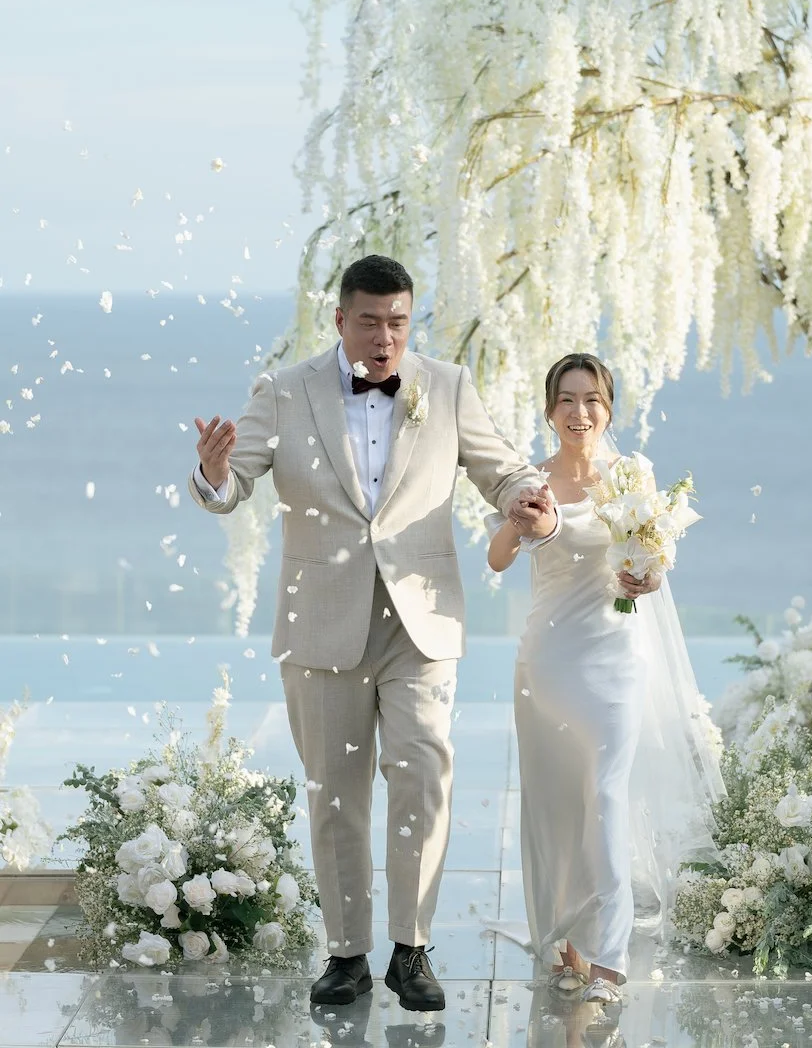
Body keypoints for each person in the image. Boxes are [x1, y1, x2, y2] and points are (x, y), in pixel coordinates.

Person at [189, 254, 558, 1012]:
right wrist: (215, 472)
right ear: (340, 320)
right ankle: (347, 954)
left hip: (419, 618)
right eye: (370, 321)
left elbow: (501, 469)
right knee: (335, 795)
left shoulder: (447, 385)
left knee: (422, 776)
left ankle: (412, 949)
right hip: (322, 621)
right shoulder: (285, 392)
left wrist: (531, 500)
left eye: (398, 321)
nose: (385, 337)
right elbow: (235, 485)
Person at [487, 353, 724, 1005]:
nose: (579, 412)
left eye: (591, 399)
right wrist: (517, 519)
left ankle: (610, 958)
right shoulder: (529, 480)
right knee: (554, 803)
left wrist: (644, 577)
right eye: (566, 399)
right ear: (547, 409)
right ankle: (566, 945)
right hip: (547, 660)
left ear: (609, 407)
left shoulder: (633, 474)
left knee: (606, 800)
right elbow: (497, 557)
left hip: (617, 656)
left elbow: (653, 562)